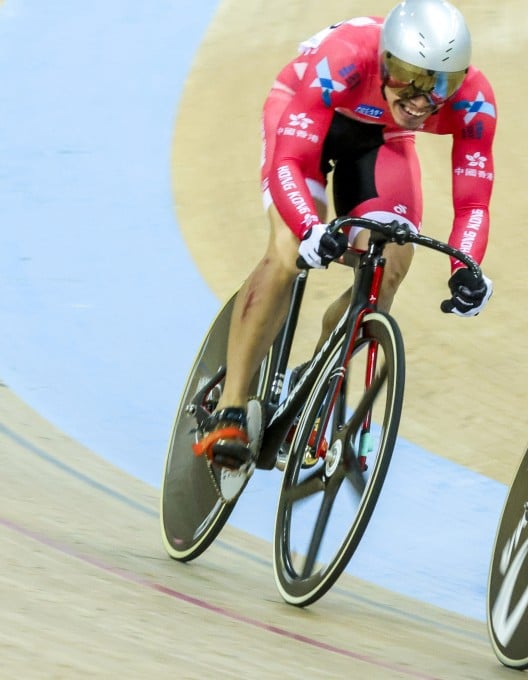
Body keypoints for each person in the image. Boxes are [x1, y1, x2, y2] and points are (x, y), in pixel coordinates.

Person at [191, 0, 497, 469]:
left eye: (440, 84)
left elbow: (473, 202)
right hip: (304, 117)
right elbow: (289, 161)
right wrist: (310, 229)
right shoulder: (347, 58)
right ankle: (229, 409)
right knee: (290, 252)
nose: (421, 99)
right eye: (410, 78)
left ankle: (311, 383)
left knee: (389, 268)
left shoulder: (473, 100)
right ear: (385, 60)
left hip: (382, 139)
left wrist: (467, 267)